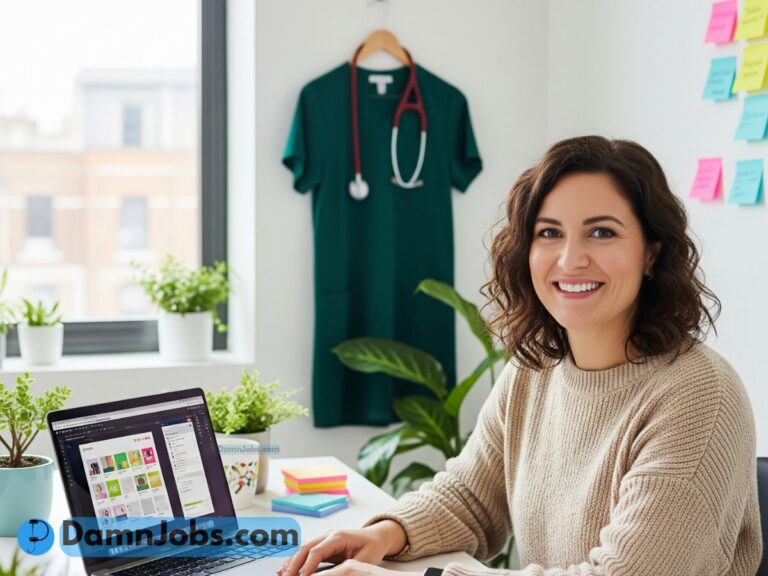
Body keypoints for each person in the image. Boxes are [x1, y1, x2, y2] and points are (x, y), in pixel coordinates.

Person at [280, 136, 762, 576]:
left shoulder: (698, 395)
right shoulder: (535, 369)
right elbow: (470, 495)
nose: (570, 259)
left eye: (602, 233)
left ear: (652, 254)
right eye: (549, 233)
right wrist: (384, 534)